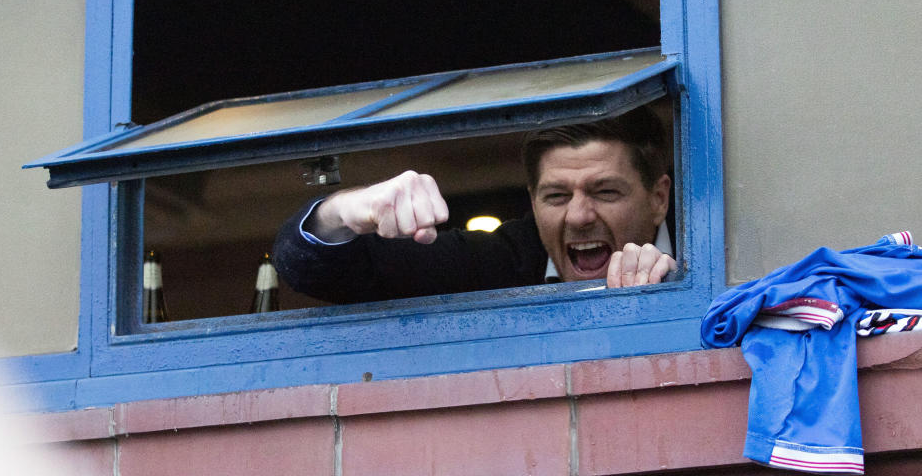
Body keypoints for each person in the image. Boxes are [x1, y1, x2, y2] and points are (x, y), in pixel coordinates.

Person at [273, 106, 676, 303]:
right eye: (556, 196)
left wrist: (676, 287)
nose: (579, 216)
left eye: (605, 192)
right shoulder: (501, 259)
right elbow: (315, 272)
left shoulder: (713, 249)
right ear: (532, 202)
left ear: (658, 199)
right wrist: (343, 210)